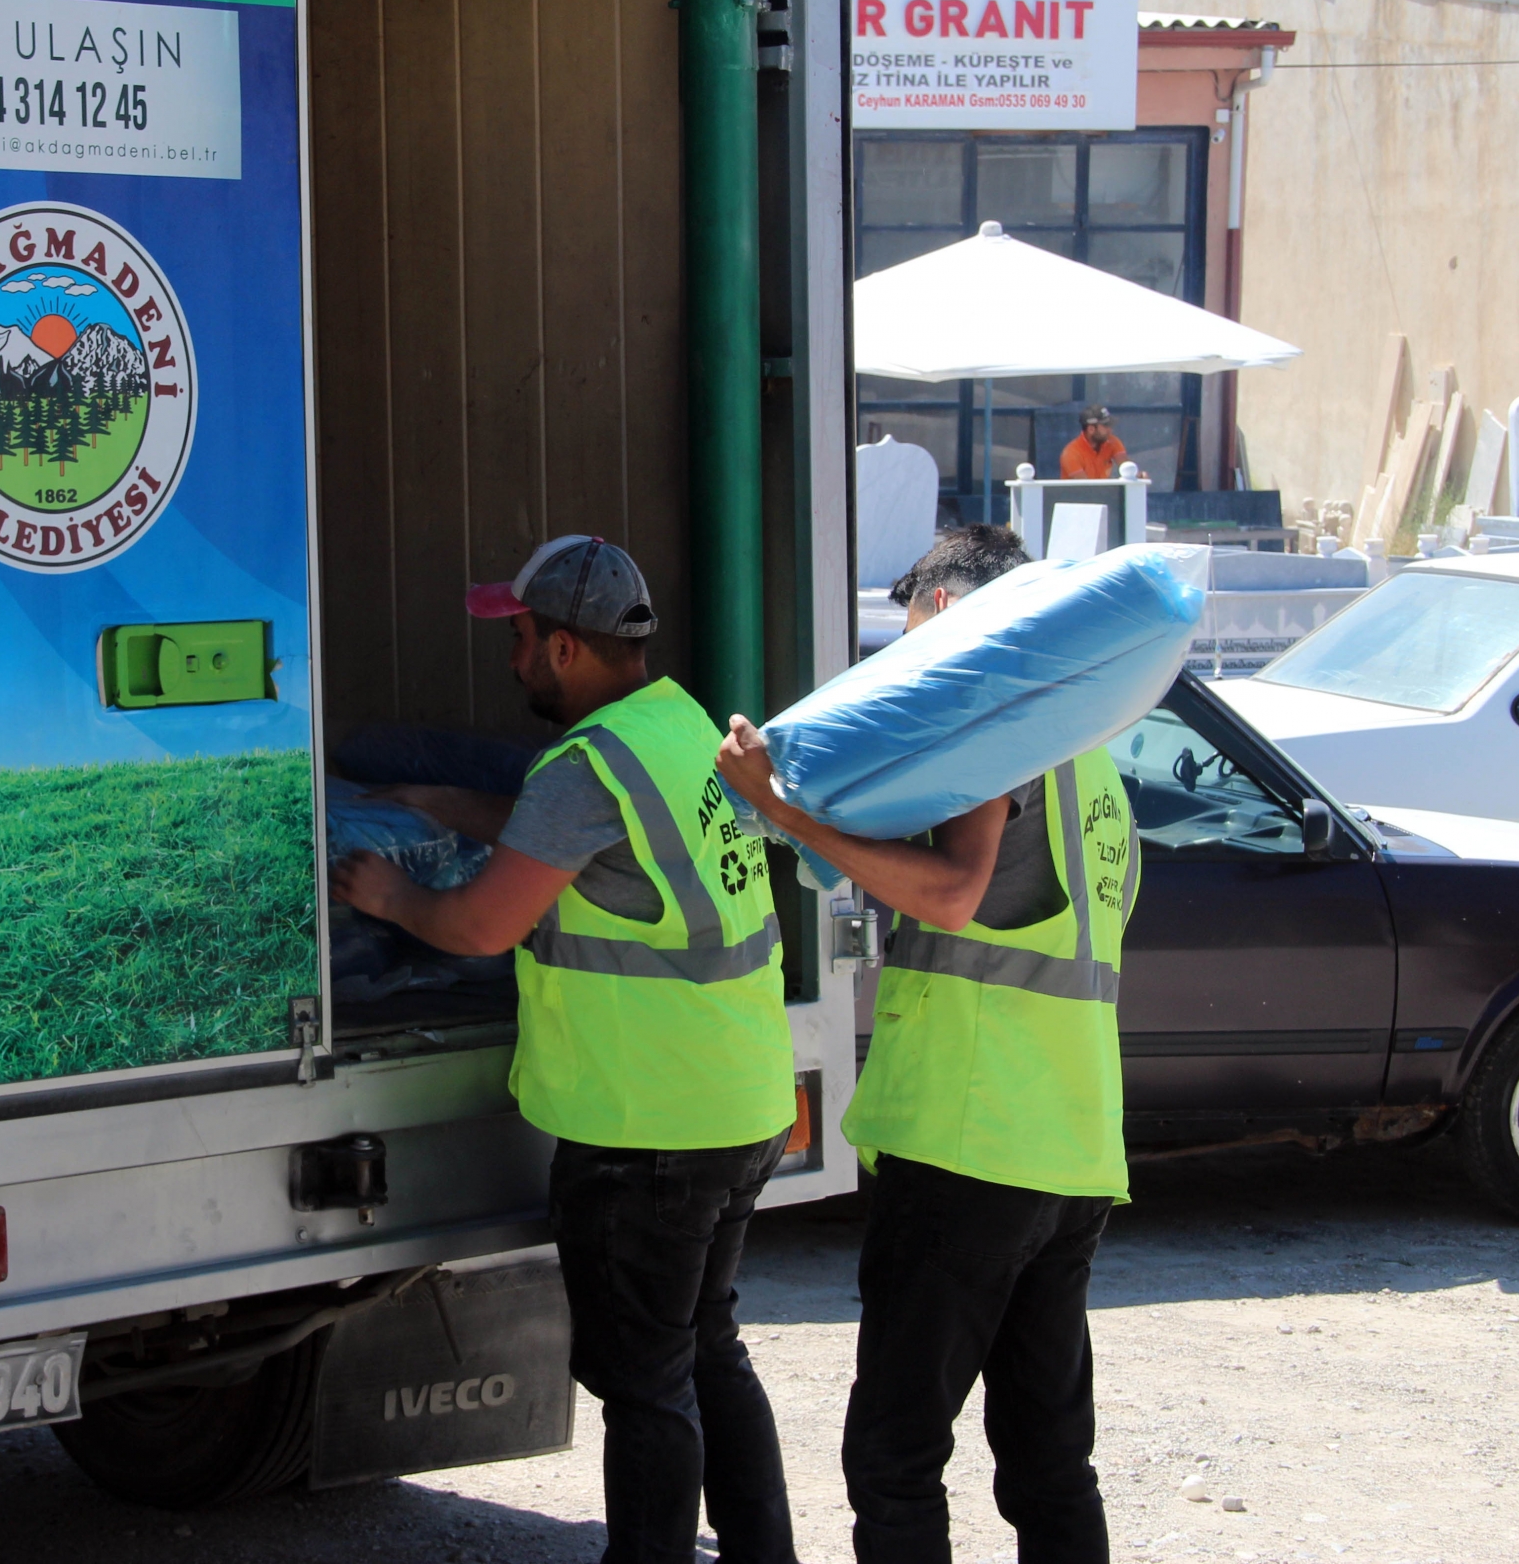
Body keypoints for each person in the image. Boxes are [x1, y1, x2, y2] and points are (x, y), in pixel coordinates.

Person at [332, 534, 801, 1564]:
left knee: (643, 1384)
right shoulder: (676, 726)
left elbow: (479, 929)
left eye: (519, 638)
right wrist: (452, 807)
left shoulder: (582, 765)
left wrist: (391, 896)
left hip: (644, 1130)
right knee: (704, 1348)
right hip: (737, 1103)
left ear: (562, 651)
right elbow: (604, 842)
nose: (509, 659)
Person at [716, 524, 1137, 1564]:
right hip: (1071, 1149)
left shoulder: (996, 732)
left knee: (896, 1459)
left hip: (969, 1144)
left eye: (908, 637)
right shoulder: (1091, 762)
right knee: (1047, 1459)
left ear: (949, 616)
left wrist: (782, 811)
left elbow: (952, 895)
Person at [1057, 405, 1128, 481]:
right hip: (1078, 492)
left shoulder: (1112, 441)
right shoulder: (1071, 453)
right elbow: (1086, 488)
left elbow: (1127, 467)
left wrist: (1137, 475)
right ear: (1091, 429)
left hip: (1102, 491)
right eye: (1105, 426)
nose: (1110, 430)